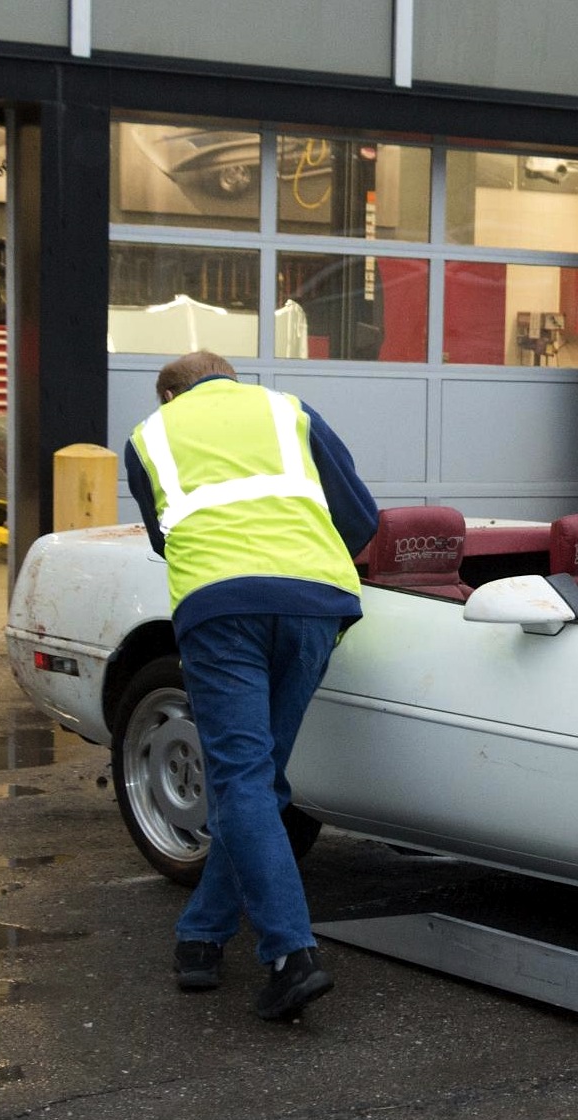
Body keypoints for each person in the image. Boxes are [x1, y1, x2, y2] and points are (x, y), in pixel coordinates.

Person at [123, 351, 379, 1020]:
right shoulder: (288, 410)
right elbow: (360, 516)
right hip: (316, 604)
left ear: (172, 390)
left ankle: (291, 953)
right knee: (257, 782)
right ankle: (201, 937)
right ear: (231, 380)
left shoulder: (150, 436)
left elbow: (165, 539)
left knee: (241, 781)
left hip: (223, 609)